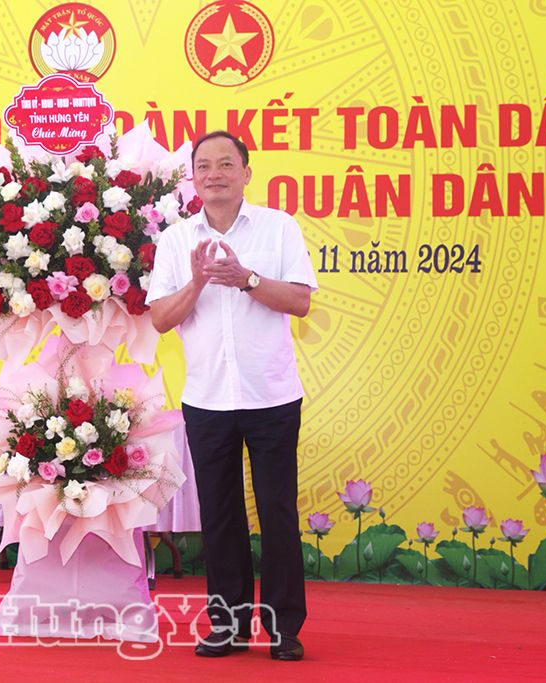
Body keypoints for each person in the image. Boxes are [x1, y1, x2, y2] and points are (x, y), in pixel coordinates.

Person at [147, 131, 317, 660]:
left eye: (226, 164)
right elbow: (159, 319)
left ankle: (285, 628)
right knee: (220, 516)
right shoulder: (176, 240)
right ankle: (228, 625)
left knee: (277, 511)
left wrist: (245, 279)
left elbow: (300, 301)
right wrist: (197, 283)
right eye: (204, 166)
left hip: (271, 396)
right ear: (193, 178)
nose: (215, 173)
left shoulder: (278, 227)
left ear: (246, 172)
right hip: (207, 399)